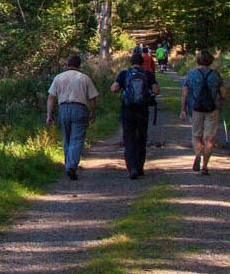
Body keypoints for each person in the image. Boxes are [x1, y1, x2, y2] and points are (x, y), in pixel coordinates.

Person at [46, 53, 100, 181]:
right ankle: (71, 166)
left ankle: (68, 166)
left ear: (67, 64)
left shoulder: (59, 78)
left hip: (63, 109)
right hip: (79, 109)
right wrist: (93, 112)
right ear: (79, 65)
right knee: (77, 139)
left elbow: (51, 97)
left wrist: (49, 114)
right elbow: (93, 98)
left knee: (67, 138)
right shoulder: (84, 78)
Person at [111, 49, 159, 179]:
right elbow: (156, 90)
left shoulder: (124, 73)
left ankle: (131, 167)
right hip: (142, 110)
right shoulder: (148, 74)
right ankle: (140, 167)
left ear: (131, 62)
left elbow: (114, 88)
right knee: (142, 138)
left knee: (129, 138)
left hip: (128, 109)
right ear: (142, 63)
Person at [180, 49, 225, 175]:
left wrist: (183, 109)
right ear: (210, 61)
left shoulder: (191, 74)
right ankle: (205, 166)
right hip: (212, 109)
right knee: (209, 138)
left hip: (195, 109)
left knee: (196, 135)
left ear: (198, 61)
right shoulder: (216, 75)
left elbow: (184, 94)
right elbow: (223, 94)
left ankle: (198, 154)